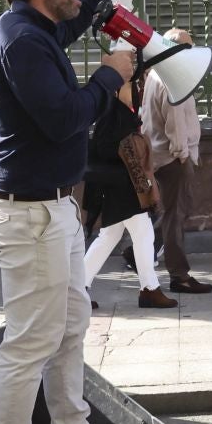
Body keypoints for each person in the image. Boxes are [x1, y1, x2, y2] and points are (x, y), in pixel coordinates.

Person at [0, 0, 146, 424]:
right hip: (29, 214)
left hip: (53, 208)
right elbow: (62, 119)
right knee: (29, 344)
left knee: (71, 323)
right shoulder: (21, 40)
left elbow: (71, 27)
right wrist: (108, 76)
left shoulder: (35, 28)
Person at [81, 71, 176, 309]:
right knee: (143, 233)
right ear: (116, 89)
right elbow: (102, 149)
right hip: (120, 186)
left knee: (110, 237)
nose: (136, 89)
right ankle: (149, 289)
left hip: (123, 185)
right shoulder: (112, 113)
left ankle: (77, 289)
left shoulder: (124, 112)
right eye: (130, 85)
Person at [140, 27, 212, 295]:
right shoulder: (172, 79)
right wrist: (183, 154)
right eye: (188, 47)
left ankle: (134, 253)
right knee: (175, 216)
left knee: (171, 212)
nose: (191, 53)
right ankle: (179, 276)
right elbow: (175, 123)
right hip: (173, 158)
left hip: (161, 155)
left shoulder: (157, 75)